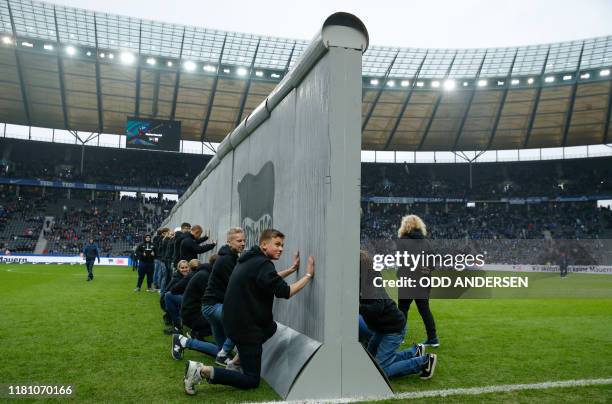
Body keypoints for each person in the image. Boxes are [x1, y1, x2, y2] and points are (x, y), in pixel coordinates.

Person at [183, 229, 314, 394]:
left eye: (282, 245)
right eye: (277, 244)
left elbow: (268, 280)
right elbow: (285, 292)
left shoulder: (252, 259)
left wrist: (291, 269)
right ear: (264, 245)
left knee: (270, 327)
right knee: (252, 380)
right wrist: (308, 275)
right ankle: (201, 371)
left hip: (235, 322)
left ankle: (236, 362)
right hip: (245, 328)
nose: (281, 248)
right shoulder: (262, 263)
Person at [360, 251, 437, 380]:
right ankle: (414, 352)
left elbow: (377, 308)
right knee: (371, 362)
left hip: (392, 329)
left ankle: (424, 362)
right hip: (382, 328)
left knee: (380, 370)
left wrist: (356, 307)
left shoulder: (370, 280)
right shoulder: (364, 278)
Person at [201, 228, 246, 366]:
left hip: (210, 305)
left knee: (221, 346)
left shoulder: (230, 257)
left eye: (244, 240)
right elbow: (234, 287)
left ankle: (223, 358)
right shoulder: (227, 259)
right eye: (239, 241)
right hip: (213, 306)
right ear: (229, 242)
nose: (243, 243)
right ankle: (223, 355)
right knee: (241, 323)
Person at [396, 214, 439, 347]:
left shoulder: (403, 241)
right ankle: (433, 339)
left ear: (405, 226)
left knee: (402, 309)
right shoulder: (426, 242)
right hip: (423, 282)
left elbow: (402, 262)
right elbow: (433, 261)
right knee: (425, 310)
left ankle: (399, 337)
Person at [164, 260, 193, 333]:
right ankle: (177, 324)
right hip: (183, 300)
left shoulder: (193, 276)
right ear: (178, 269)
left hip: (190, 300)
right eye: (182, 268)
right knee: (168, 296)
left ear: (189, 268)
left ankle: (178, 324)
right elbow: (167, 291)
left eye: (186, 267)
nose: (184, 269)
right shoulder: (176, 278)